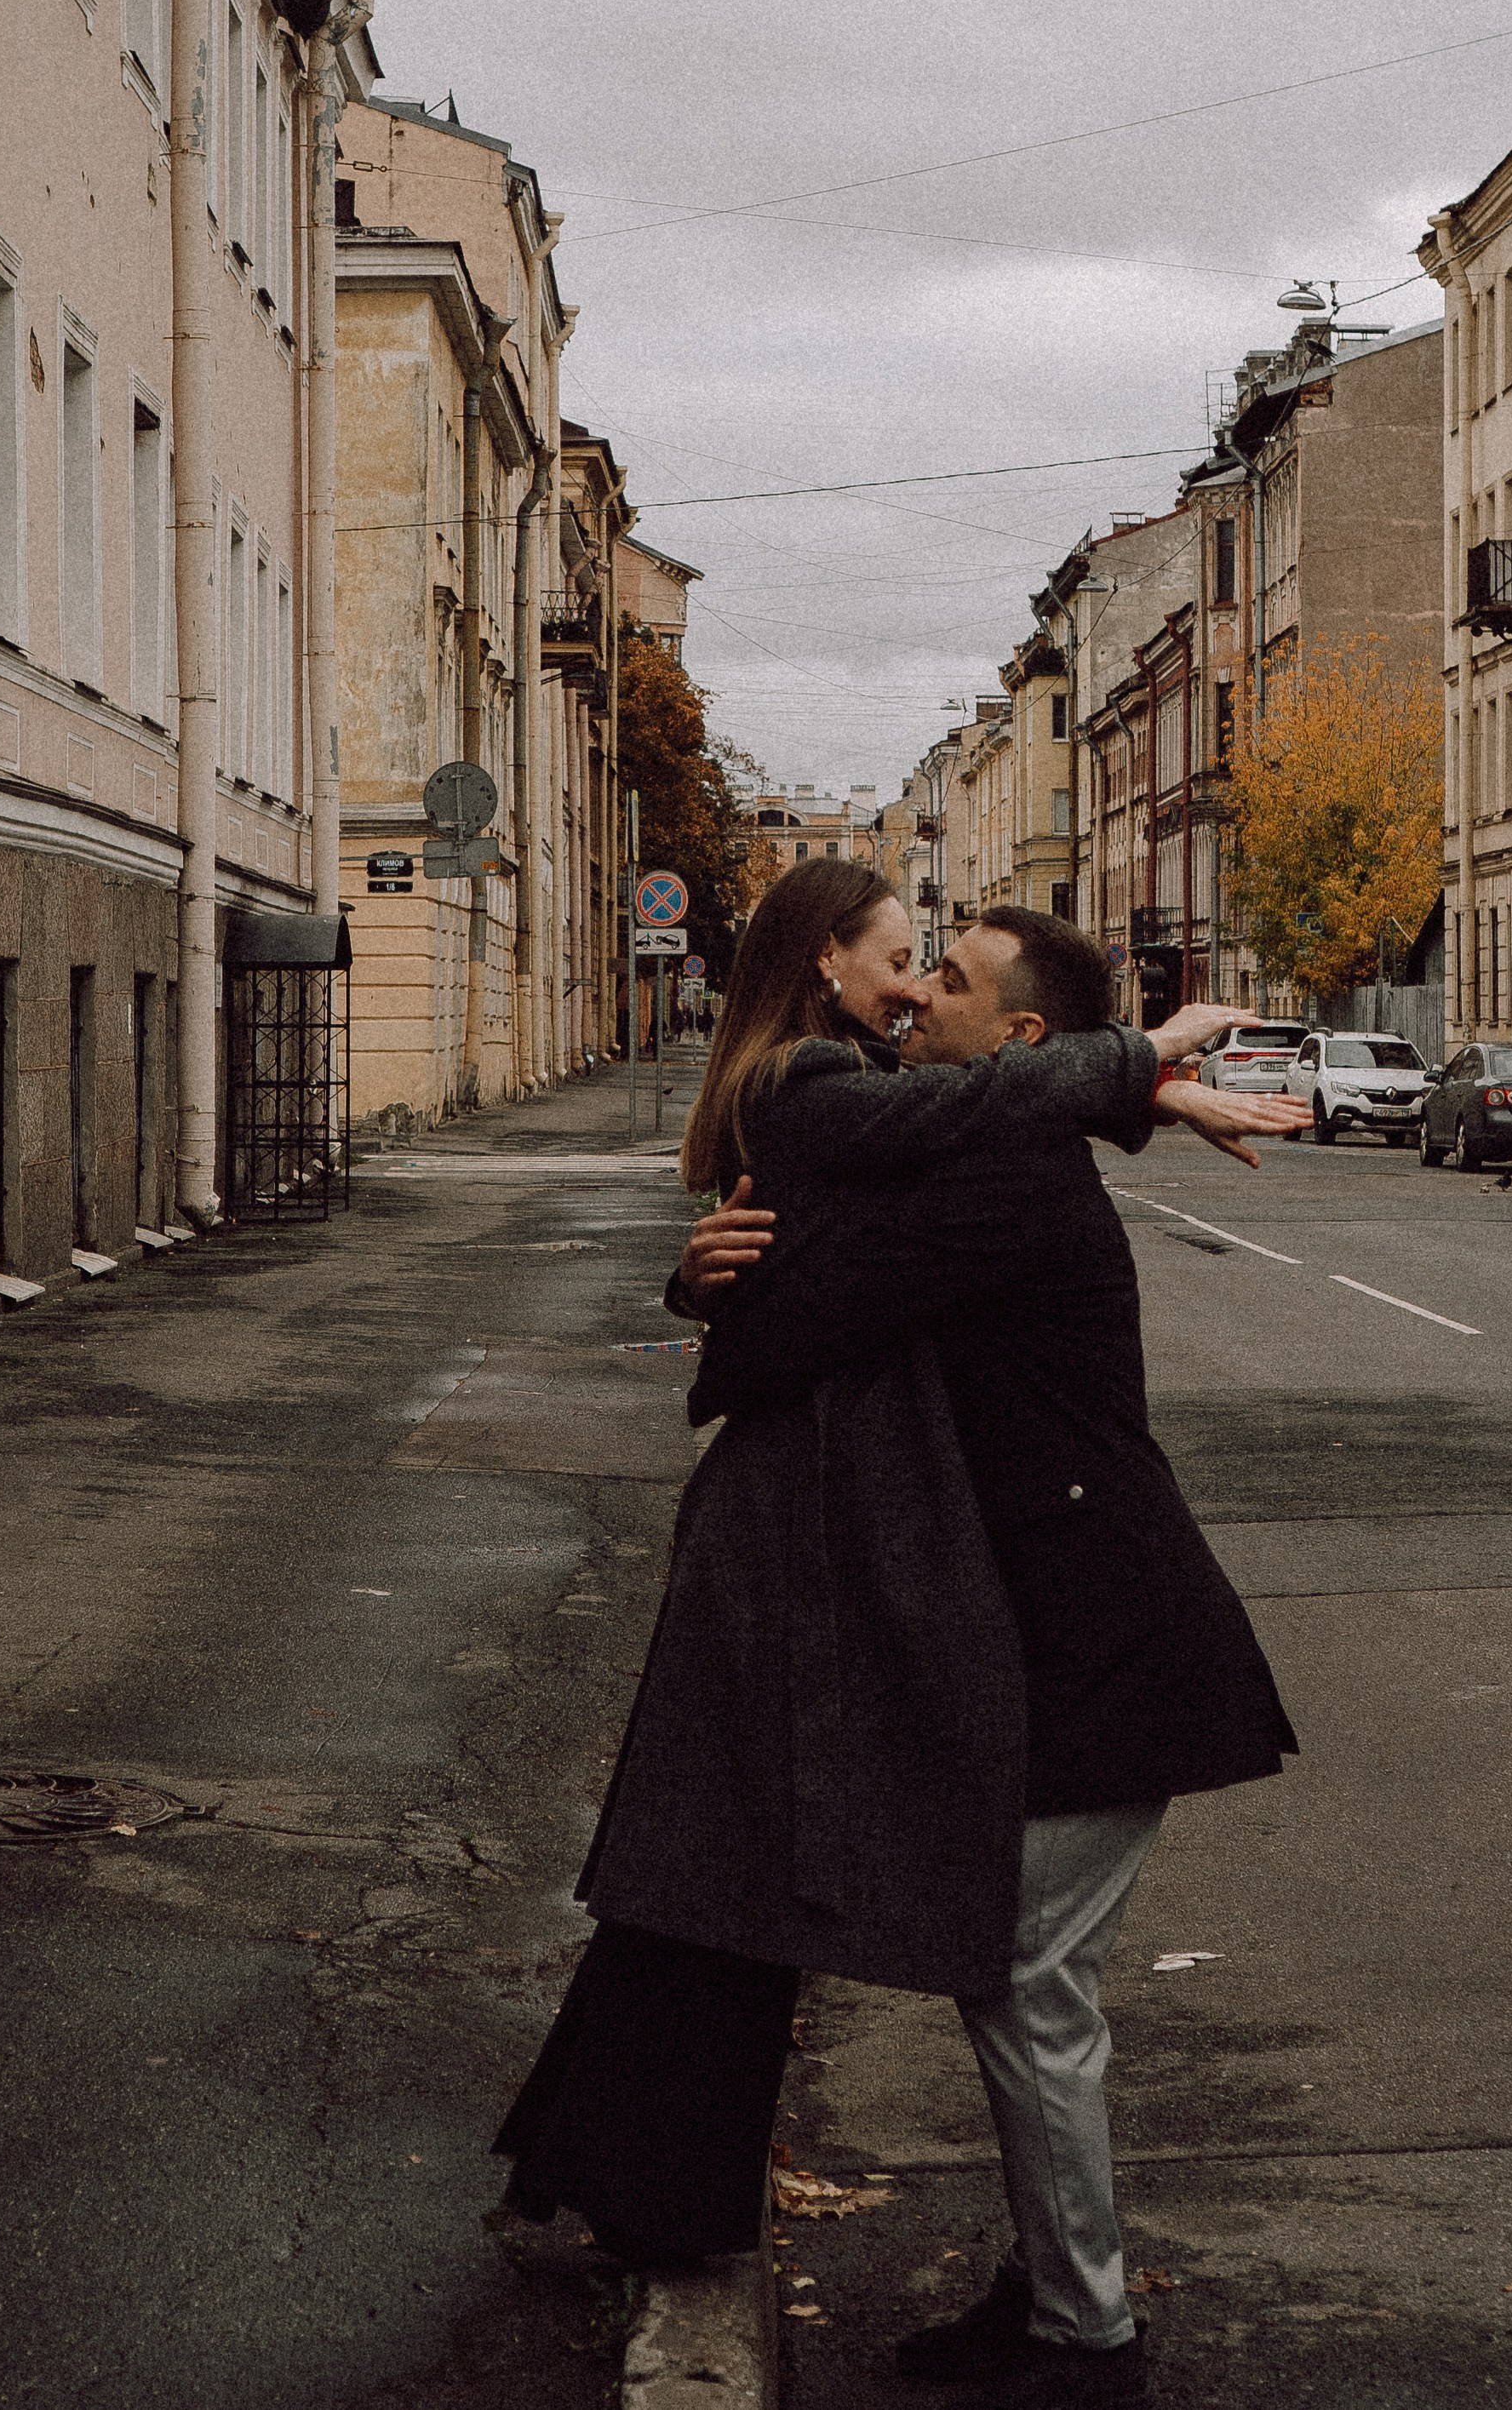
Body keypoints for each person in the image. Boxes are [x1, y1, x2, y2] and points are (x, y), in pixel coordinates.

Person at [494, 863, 1296, 2296]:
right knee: (952, 1951)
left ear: (1017, 1041)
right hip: (1027, 1629)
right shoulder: (856, 1100)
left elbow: (800, 1305)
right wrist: (1137, 1081)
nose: (917, 986)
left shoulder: (989, 1180)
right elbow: (887, 1162)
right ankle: (1061, 2299)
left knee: (1015, 1978)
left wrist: (722, 1303)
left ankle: (1073, 2315)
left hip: (1102, 1643)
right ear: (823, 967)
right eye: (903, 957)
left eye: (946, 976)